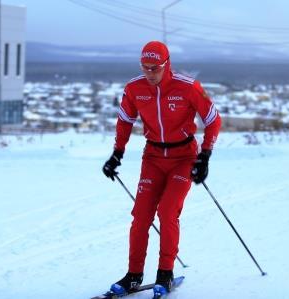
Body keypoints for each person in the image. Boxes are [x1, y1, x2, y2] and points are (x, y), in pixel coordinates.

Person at [102, 40, 221, 296]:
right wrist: (117, 154)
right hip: (153, 157)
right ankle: (133, 275)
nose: (150, 72)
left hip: (183, 157)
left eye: (155, 67)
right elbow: (124, 121)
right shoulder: (134, 88)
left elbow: (213, 120)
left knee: (167, 212)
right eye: (144, 67)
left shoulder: (188, 87)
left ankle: (164, 274)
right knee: (141, 216)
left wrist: (206, 155)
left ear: (167, 65)